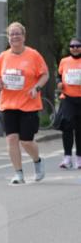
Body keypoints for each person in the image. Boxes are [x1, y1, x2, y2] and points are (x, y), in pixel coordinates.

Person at [0, 22, 49, 184]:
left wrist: (36, 88)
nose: (15, 36)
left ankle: (37, 161)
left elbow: (45, 74)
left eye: (18, 33)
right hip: (8, 104)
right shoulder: (3, 56)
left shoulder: (33, 55)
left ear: (24, 37)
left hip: (28, 104)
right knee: (11, 139)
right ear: (8, 38)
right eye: (12, 34)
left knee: (26, 140)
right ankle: (18, 174)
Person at [56, 37, 81, 169]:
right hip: (68, 98)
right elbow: (59, 77)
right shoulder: (64, 61)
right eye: (72, 46)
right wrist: (59, 83)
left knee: (79, 129)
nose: (75, 48)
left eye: (78, 46)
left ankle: (79, 158)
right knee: (67, 127)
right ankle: (67, 157)